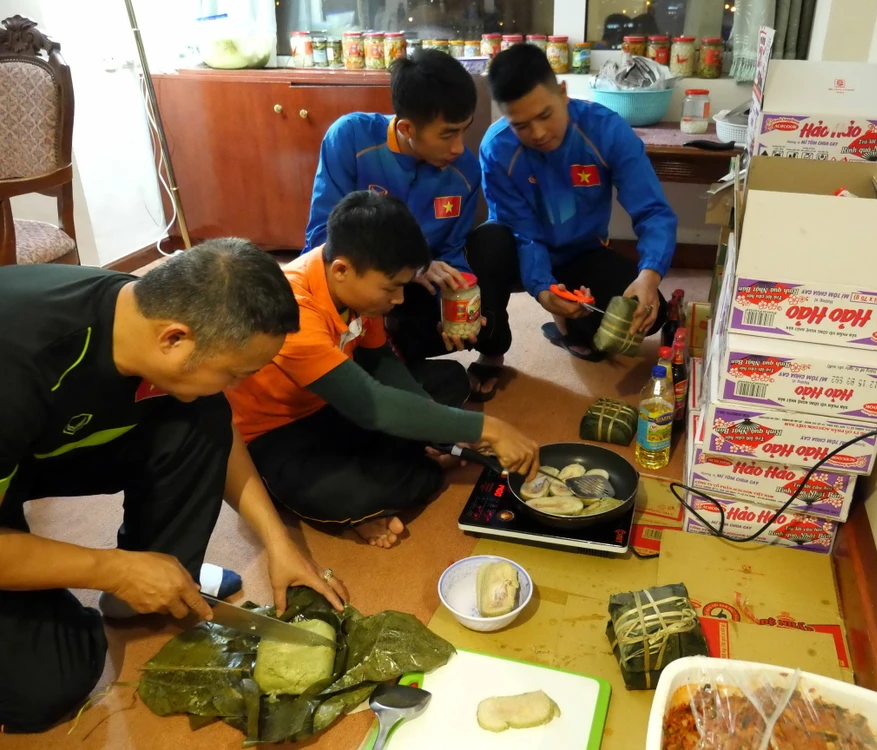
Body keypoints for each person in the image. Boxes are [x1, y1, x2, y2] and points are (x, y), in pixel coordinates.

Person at [0, 241, 347, 734]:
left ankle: (153, 585)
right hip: (14, 443)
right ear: (175, 338)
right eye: (236, 372)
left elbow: (220, 433)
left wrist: (278, 542)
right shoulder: (20, 363)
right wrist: (112, 569)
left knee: (203, 414)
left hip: (34, 448)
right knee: (47, 687)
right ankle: (111, 582)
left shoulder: (145, 316)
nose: (236, 385)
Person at [229, 191, 540, 548]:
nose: (399, 300)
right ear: (342, 270)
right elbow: (371, 404)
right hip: (281, 431)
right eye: (391, 288)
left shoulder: (351, 286)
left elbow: (380, 361)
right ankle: (391, 484)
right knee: (356, 484)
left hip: (337, 399)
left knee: (448, 380)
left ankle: (408, 460)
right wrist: (487, 429)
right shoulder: (294, 312)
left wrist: (433, 421)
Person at [303, 49, 504, 400]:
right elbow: (321, 240)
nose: (459, 147)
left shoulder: (465, 171)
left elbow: (453, 251)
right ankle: (379, 362)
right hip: (361, 288)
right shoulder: (350, 139)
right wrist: (410, 269)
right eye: (447, 134)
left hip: (411, 294)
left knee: (481, 313)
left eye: (465, 130)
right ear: (407, 127)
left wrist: (452, 306)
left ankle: (399, 359)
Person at [474, 43, 679, 361]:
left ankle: (566, 325)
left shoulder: (606, 130)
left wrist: (649, 275)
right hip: (520, 252)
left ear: (563, 91)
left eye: (545, 115)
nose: (539, 133)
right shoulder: (497, 148)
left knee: (649, 313)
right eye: (521, 125)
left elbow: (652, 211)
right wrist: (543, 289)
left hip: (582, 253)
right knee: (486, 244)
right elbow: (522, 232)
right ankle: (492, 351)